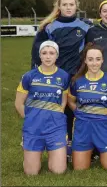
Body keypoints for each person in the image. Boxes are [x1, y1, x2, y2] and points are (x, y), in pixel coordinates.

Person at [30, 0, 92, 161]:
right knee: (56, 112)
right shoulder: (48, 27)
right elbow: (37, 55)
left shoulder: (85, 26)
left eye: (71, 4)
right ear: (59, 6)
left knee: (76, 112)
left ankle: (76, 147)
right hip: (55, 78)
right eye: (64, 4)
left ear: (76, 6)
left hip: (77, 77)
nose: (68, 7)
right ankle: (57, 147)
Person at [16, 40, 70, 175]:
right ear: (39, 55)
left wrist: (56, 117)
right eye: (44, 53)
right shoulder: (29, 76)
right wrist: (30, 120)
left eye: (51, 53)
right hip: (33, 127)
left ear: (57, 55)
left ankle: (56, 150)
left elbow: (63, 102)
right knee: (31, 172)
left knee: (59, 171)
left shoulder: (63, 76)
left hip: (55, 127)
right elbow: (18, 103)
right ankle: (30, 149)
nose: (48, 56)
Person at [67, 44, 107, 171]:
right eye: (90, 59)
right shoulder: (77, 81)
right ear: (85, 60)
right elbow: (71, 100)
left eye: (97, 59)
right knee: (79, 169)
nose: (94, 63)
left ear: (102, 60)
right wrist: (80, 113)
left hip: (105, 126)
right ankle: (70, 150)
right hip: (83, 126)